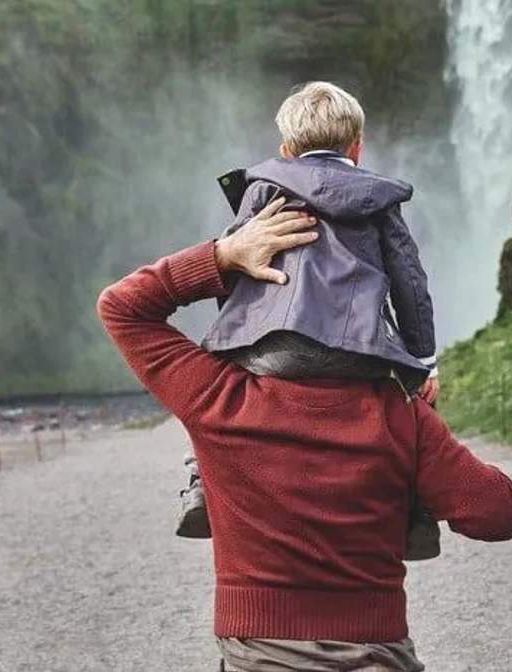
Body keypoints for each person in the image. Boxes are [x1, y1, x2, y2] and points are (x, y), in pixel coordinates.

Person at [96, 198, 512, 671]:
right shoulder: (400, 416)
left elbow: (122, 308)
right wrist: (428, 427)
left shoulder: (218, 398)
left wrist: (224, 254)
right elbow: (496, 514)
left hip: (257, 651)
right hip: (376, 652)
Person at [183, 81, 442, 558]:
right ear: (358, 148)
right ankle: (416, 510)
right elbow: (409, 280)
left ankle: (201, 487)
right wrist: (424, 360)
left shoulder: (262, 189)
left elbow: (238, 264)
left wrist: (238, 338)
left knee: (208, 392)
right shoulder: (380, 200)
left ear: (284, 150)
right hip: (358, 351)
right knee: (415, 406)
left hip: (272, 349)